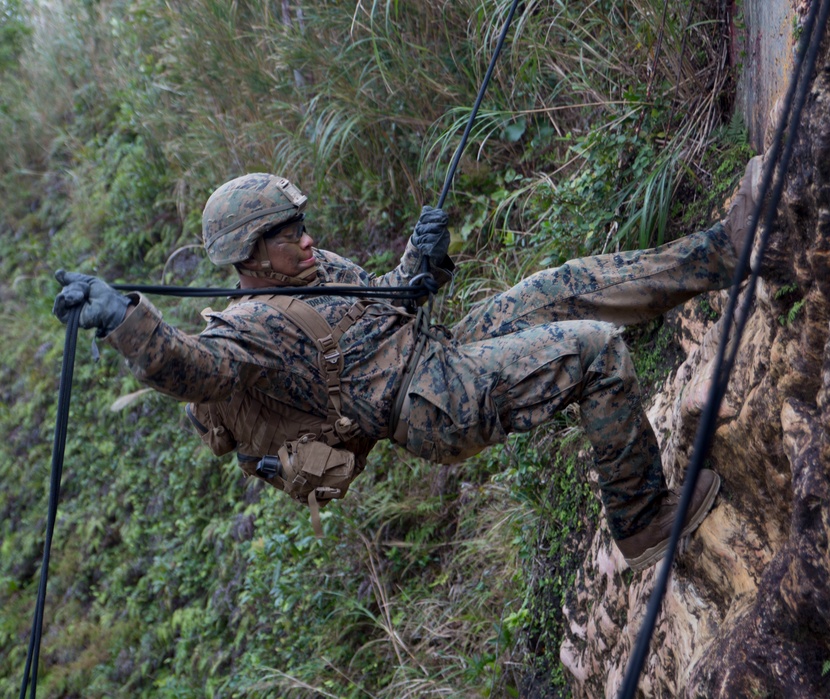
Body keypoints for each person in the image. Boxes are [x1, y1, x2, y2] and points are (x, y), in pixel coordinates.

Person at [53, 157, 763, 571]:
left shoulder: (316, 266)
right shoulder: (249, 333)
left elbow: (387, 303)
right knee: (594, 351)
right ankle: (640, 519)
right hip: (426, 404)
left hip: (434, 350)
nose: (305, 240)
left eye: (301, 224)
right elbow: (190, 367)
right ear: (247, 255)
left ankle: (725, 252)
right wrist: (125, 321)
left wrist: (420, 261)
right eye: (285, 234)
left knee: (565, 283)